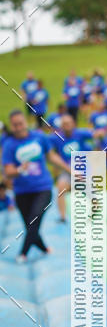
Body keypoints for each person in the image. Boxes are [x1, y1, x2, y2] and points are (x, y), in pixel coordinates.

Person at [1, 110, 63, 261]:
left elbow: (52, 157)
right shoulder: (9, 145)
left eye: (20, 123)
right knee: (30, 225)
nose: (18, 127)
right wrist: (20, 169)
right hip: (22, 191)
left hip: (43, 188)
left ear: (25, 122)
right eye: (15, 125)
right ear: (12, 126)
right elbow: (8, 171)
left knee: (34, 220)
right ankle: (44, 248)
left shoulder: (39, 137)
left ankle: (23, 254)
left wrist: (70, 170)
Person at [49, 113, 96, 222]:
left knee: (92, 194)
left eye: (69, 123)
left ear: (73, 124)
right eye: (64, 124)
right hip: (67, 170)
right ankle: (62, 217)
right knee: (60, 188)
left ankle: (93, 214)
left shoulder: (80, 134)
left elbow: (95, 134)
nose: (67, 126)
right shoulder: (56, 138)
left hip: (83, 168)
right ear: (61, 126)